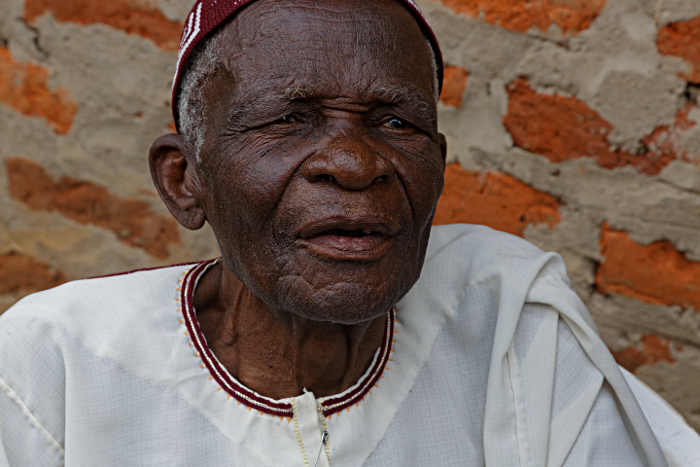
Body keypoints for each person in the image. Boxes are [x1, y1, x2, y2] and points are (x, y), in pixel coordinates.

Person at [0, 0, 677, 465]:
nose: (355, 164)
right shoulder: (55, 368)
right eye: (289, 120)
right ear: (185, 179)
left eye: (396, 124)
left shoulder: (511, 325)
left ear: (438, 170)